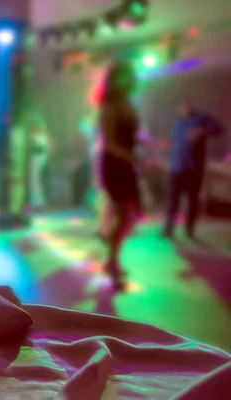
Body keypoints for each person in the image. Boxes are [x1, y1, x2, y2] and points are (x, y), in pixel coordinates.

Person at [99, 62, 141, 291]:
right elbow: (111, 144)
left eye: (129, 75)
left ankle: (111, 258)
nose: (127, 80)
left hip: (126, 163)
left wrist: (148, 146)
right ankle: (112, 263)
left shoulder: (127, 103)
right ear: (113, 80)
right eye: (121, 76)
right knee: (125, 214)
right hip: (115, 164)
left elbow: (131, 137)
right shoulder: (110, 106)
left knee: (129, 216)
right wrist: (136, 158)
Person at [163, 98, 224, 239]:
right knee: (173, 199)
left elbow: (220, 129)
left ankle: (189, 229)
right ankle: (168, 228)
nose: (185, 108)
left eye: (187, 104)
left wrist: (202, 130)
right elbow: (176, 143)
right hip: (177, 167)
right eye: (182, 106)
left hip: (193, 168)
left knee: (192, 200)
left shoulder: (201, 118)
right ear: (177, 109)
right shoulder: (176, 123)